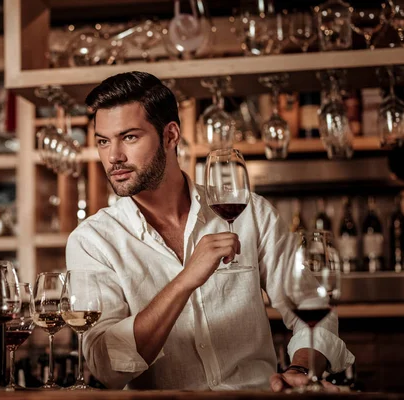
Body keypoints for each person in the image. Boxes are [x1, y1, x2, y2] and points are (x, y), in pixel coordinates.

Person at [65, 71, 354, 391]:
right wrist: (185, 280)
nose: (113, 156)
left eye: (129, 137)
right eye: (104, 141)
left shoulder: (251, 213)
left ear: (170, 135)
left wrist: (300, 366)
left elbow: (313, 311)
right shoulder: (92, 241)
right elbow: (107, 367)